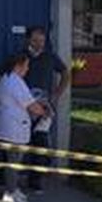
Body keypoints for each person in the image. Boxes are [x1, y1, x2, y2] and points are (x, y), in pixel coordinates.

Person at [23, 26, 70, 191]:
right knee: (18, 144)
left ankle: (35, 181)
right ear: (28, 40)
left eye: (42, 41)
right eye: (35, 40)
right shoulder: (21, 56)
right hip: (23, 109)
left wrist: (57, 94)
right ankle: (6, 179)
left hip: (43, 108)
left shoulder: (50, 57)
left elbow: (65, 72)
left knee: (41, 144)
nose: (39, 44)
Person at [0, 54, 46, 202]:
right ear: (18, 65)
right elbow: (30, 104)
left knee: (13, 161)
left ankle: (12, 188)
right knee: (13, 161)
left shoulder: (8, 79)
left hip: (11, 126)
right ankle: (10, 191)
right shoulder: (15, 82)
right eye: (26, 65)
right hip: (14, 128)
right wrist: (43, 112)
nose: (27, 69)